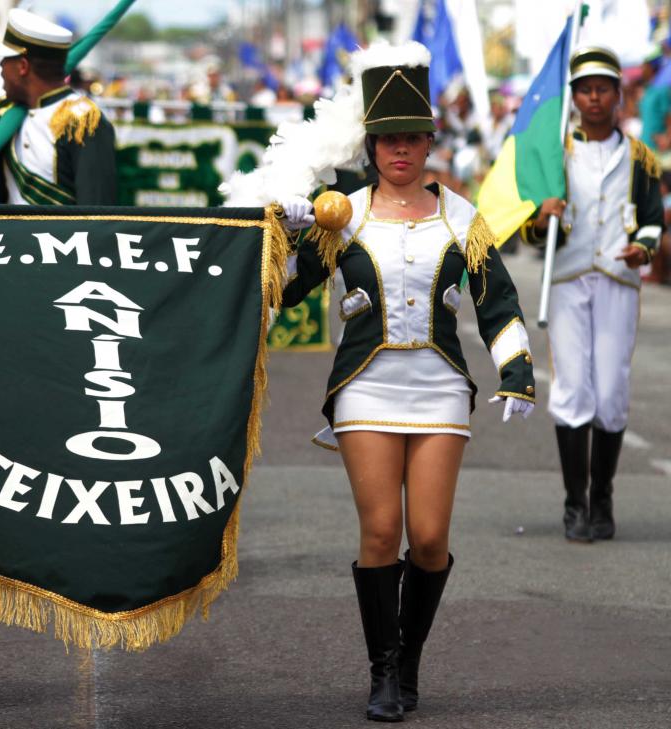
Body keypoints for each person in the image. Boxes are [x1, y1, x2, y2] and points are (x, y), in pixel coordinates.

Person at [279, 42, 535, 722]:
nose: (401, 149)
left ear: (428, 142)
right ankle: (383, 671)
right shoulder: (341, 215)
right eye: (389, 138)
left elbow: (498, 303)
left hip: (440, 387)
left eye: (413, 137)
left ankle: (409, 654)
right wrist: (280, 230)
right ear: (371, 144)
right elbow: (283, 291)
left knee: (427, 539)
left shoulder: (461, 216)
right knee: (381, 530)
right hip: (365, 386)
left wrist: (516, 371)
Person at [522, 47, 663, 543]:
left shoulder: (640, 157)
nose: (595, 97)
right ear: (574, 97)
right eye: (585, 90)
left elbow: (652, 219)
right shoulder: (556, 153)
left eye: (604, 88)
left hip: (617, 280)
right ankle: (574, 504)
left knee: (611, 389)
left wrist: (643, 249)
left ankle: (603, 497)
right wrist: (543, 217)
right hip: (568, 278)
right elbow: (531, 227)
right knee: (572, 387)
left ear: (619, 95)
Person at [0, 8, 117, 206]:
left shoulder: (82, 120)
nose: (1, 68)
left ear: (23, 66)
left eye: (6, 60)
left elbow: (97, 211)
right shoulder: (7, 117)